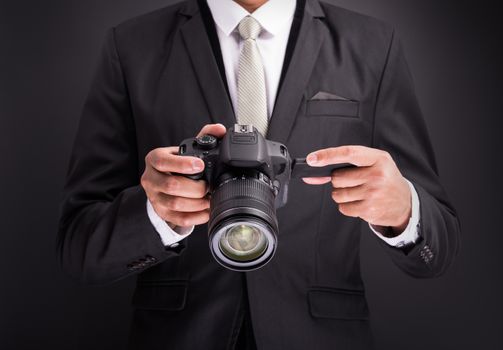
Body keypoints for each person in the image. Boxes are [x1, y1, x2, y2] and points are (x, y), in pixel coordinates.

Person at [57, 0, 460, 349]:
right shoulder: (132, 46)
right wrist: (156, 216)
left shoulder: (372, 45)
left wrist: (404, 211)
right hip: (179, 336)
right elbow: (80, 251)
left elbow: (437, 252)